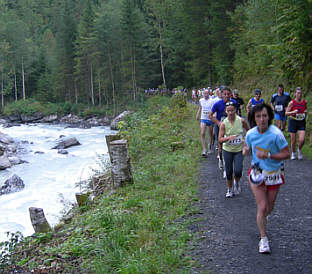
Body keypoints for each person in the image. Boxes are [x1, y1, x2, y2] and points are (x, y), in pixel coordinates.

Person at [243, 103, 290, 254]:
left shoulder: (276, 134)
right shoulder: (251, 134)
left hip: (274, 173)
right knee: (262, 207)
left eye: (264, 115)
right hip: (257, 173)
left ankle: (262, 219)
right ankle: (263, 239)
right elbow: (247, 145)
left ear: (269, 116)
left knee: (269, 208)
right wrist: (245, 150)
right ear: (254, 118)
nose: (262, 119)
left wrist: (269, 155)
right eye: (258, 116)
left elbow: (286, 154)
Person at [219, 101, 250, 197]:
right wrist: (228, 138)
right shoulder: (224, 123)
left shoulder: (241, 121)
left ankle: (237, 183)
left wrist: (245, 141)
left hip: (239, 150)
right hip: (227, 150)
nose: (231, 113)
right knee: (228, 171)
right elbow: (220, 139)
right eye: (228, 111)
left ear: (235, 110)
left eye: (232, 110)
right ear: (226, 111)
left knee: (238, 170)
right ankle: (229, 189)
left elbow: (249, 132)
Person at [209, 86, 237, 169]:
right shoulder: (218, 104)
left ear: (231, 95)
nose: (227, 96)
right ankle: (221, 158)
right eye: (225, 94)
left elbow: (237, 114)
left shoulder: (234, 103)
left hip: (231, 126)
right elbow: (210, 115)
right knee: (220, 145)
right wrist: (218, 123)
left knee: (232, 144)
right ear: (221, 95)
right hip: (220, 126)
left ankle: (231, 163)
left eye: (228, 94)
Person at [285, 87, 307, 160]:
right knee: (293, 140)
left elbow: (305, 110)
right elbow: (286, 113)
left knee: (302, 139)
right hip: (293, 121)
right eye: (297, 93)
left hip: (301, 121)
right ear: (295, 94)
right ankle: (293, 153)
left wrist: (305, 112)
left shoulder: (304, 102)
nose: (299, 94)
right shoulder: (291, 103)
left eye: (300, 93)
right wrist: (293, 112)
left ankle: (299, 150)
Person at [196, 89, 215, 156]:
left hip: (210, 119)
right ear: (203, 94)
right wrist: (197, 114)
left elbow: (214, 109)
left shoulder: (212, 100)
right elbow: (200, 108)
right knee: (202, 133)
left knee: (210, 134)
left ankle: (209, 146)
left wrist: (214, 116)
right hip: (203, 118)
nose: (206, 95)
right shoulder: (201, 100)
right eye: (204, 93)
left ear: (209, 94)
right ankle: (204, 149)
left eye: (207, 93)